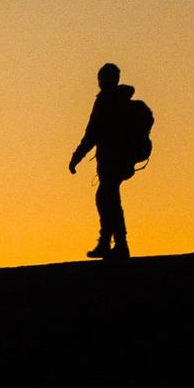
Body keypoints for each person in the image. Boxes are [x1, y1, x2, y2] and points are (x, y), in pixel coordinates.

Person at [69, 62, 140, 259]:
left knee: (107, 200)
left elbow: (92, 133)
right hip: (122, 160)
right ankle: (109, 244)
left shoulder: (106, 101)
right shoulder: (122, 99)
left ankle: (118, 245)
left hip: (111, 160)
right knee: (108, 199)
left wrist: (76, 158)